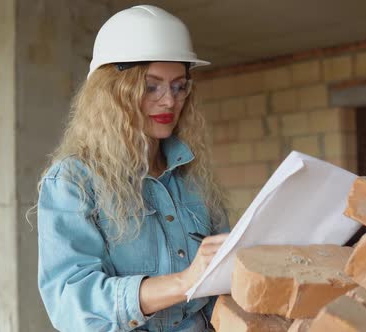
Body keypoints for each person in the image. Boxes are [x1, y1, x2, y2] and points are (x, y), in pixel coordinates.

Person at [36, 5, 230, 332]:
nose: (169, 101)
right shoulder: (73, 181)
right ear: (114, 93)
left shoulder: (193, 178)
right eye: (151, 86)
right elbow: (71, 304)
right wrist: (184, 281)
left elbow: (220, 293)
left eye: (179, 85)